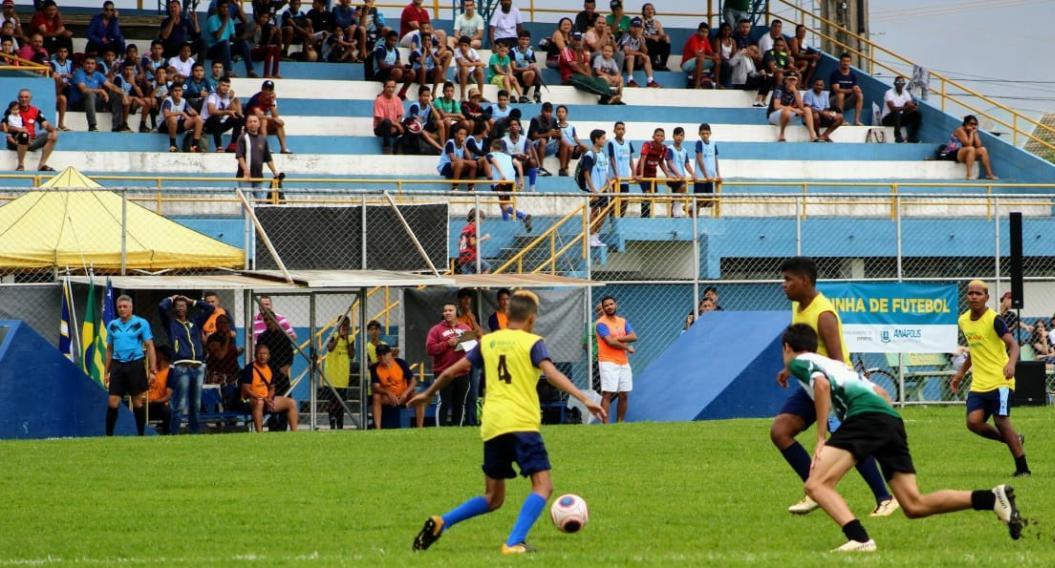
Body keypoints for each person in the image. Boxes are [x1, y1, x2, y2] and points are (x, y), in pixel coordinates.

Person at [783, 323, 1025, 552]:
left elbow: (822, 386)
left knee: (816, 484)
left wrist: (820, 438)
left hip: (866, 416)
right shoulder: (836, 365)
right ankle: (992, 498)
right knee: (913, 504)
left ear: (787, 348)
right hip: (890, 419)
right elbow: (882, 392)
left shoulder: (798, 361)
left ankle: (859, 539)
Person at [410, 291, 605, 555]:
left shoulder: (488, 341)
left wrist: (427, 394)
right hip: (521, 423)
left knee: (493, 498)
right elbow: (551, 373)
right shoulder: (533, 342)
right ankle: (513, 542)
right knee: (543, 485)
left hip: (492, 425)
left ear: (508, 314)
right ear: (532, 319)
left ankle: (442, 523)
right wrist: (584, 398)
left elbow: (450, 371)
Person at [772, 257, 898, 517]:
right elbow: (804, 347)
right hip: (811, 385)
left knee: (849, 443)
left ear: (805, 281)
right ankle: (815, 491)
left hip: (834, 387)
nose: (783, 285)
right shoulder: (799, 305)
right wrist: (789, 368)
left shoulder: (824, 314)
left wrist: (831, 398)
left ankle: (885, 498)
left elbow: (838, 361)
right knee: (780, 431)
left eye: (788, 279)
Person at [951, 281, 1031, 477]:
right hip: (979, 382)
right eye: (971, 293)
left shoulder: (994, 319)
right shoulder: (963, 321)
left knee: (1001, 420)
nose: (974, 297)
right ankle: (1012, 439)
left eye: (979, 293)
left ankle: (1023, 469)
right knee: (973, 422)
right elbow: (974, 350)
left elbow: (1013, 345)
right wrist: (961, 373)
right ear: (966, 297)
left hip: (1001, 380)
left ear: (986, 298)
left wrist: (1011, 364)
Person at [158, 294, 215, 435]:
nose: (181, 308)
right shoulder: (171, 324)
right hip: (182, 366)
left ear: (187, 308)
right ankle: (174, 433)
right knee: (181, 403)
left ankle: (193, 433)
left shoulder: (195, 323)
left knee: (195, 404)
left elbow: (210, 308)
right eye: (178, 306)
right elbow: (161, 307)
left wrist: (193, 301)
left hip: (198, 367)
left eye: (183, 305)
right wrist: (171, 298)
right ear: (174, 309)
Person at [104, 295, 158, 436]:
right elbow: (109, 349)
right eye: (119, 307)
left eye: (125, 306)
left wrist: (153, 370)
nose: (122, 309)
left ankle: (140, 434)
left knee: (137, 401)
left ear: (131, 307)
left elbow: (150, 346)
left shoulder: (141, 323)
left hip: (135, 364)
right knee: (112, 401)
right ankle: (108, 436)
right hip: (117, 365)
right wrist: (106, 371)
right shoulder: (112, 325)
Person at [424, 302, 472, 426]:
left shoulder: (465, 328)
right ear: (443, 313)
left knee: (459, 403)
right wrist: (447, 344)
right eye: (445, 311)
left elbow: (472, 348)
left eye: (451, 310)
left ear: (456, 313)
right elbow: (430, 349)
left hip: (462, 373)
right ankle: (441, 430)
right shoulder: (436, 330)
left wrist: (467, 345)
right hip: (443, 373)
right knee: (443, 403)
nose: (448, 312)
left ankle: (457, 428)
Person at [240, 343, 299, 432]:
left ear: (269, 356)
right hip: (251, 399)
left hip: (266, 399)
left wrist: (269, 399)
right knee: (259, 403)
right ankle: (260, 434)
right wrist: (263, 398)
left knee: (292, 403)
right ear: (255, 355)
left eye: (265, 354)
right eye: (260, 353)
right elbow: (246, 390)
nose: (262, 356)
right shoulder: (250, 368)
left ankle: (295, 433)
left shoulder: (270, 368)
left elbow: (272, 388)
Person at [596, 295, 637, 423]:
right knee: (607, 393)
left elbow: (633, 336)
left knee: (624, 394)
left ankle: (620, 423)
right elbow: (609, 342)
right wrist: (627, 348)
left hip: (623, 362)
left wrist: (618, 338)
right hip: (608, 361)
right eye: (606, 305)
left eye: (611, 304)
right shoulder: (601, 323)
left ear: (616, 305)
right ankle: (606, 425)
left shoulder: (622, 321)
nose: (609, 307)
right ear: (603, 308)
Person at [4, 89, 57, 172]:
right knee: (24, 135)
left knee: (53, 135)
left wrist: (50, 128)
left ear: (30, 98)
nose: (24, 99)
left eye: (26, 97)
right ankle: (20, 165)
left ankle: (41, 165)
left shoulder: (35, 110)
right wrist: (18, 129)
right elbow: (3, 127)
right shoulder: (13, 109)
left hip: (31, 141)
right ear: (18, 98)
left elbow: (45, 124)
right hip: (15, 141)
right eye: (21, 97)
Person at [370, 343, 419, 429]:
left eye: (384, 354)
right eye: (379, 355)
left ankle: (420, 426)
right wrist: (388, 393)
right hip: (389, 398)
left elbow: (413, 381)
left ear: (390, 354)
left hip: (404, 395)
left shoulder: (400, 363)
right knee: (376, 396)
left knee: (417, 395)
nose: (382, 357)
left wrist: (405, 394)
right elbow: (376, 387)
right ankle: (377, 428)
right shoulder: (375, 367)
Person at [487, 138, 532, 230]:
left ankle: (523, 216)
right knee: (503, 202)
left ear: (491, 148)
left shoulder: (491, 154)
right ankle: (505, 221)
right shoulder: (509, 156)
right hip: (511, 182)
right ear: (502, 149)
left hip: (501, 182)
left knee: (504, 206)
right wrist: (521, 180)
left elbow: (494, 160)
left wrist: (501, 173)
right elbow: (519, 165)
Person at [72, 56, 122, 133]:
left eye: (92, 64)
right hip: (79, 104)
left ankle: (117, 126)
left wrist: (123, 95)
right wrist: (100, 90)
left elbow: (111, 86)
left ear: (95, 65)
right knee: (90, 94)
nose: (90, 66)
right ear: (83, 64)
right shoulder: (79, 73)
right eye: (87, 63)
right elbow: (84, 89)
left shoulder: (97, 74)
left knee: (116, 96)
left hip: (94, 103)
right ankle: (92, 126)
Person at [206, 0, 256, 77]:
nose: (225, 9)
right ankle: (228, 71)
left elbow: (233, 39)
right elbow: (217, 37)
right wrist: (224, 22)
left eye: (227, 7)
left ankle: (250, 71)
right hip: (213, 49)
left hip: (225, 49)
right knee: (225, 42)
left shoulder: (230, 21)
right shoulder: (212, 19)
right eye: (223, 7)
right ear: (218, 9)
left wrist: (243, 37)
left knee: (244, 43)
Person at [940, 115, 998, 180]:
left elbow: (979, 145)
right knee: (971, 148)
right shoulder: (960, 130)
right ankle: (969, 175)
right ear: (966, 123)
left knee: (983, 150)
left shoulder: (973, 131)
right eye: (971, 124)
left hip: (966, 152)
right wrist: (971, 133)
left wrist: (975, 133)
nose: (973, 126)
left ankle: (989, 174)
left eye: (975, 124)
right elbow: (968, 144)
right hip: (953, 152)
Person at [581, 128, 610, 246]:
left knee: (603, 213)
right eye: (603, 138)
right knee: (594, 212)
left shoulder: (603, 154)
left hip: (603, 190)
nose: (605, 140)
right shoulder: (589, 154)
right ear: (596, 139)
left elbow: (605, 171)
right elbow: (586, 172)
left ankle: (596, 236)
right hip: (594, 190)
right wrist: (593, 189)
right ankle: (590, 236)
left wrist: (609, 182)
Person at [768, 73, 816, 143]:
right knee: (786, 111)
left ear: (797, 81)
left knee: (807, 109)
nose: (792, 82)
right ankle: (781, 134)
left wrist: (795, 92)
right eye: (790, 79)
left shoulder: (796, 91)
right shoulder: (779, 89)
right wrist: (793, 109)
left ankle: (812, 135)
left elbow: (802, 108)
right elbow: (776, 106)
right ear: (786, 80)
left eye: (794, 80)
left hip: (787, 116)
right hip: (773, 116)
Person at [246, 80, 291, 154]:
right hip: (249, 123)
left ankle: (283, 148)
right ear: (262, 89)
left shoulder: (271, 99)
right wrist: (274, 119)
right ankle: (265, 147)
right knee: (264, 121)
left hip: (260, 124)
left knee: (278, 124)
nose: (267, 92)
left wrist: (272, 102)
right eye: (265, 89)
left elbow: (275, 115)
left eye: (270, 90)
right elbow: (258, 116)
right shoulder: (256, 98)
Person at [201, 76, 244, 153]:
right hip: (207, 125)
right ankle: (219, 147)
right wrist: (227, 112)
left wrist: (232, 99)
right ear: (218, 85)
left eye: (227, 86)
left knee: (238, 118)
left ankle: (233, 145)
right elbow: (211, 111)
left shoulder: (226, 97)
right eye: (223, 85)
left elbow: (234, 112)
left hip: (218, 126)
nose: (225, 88)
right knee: (215, 117)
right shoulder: (212, 95)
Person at [324, 316, 352, 429]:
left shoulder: (350, 338)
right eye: (342, 324)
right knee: (332, 401)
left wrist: (347, 339)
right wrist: (338, 337)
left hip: (343, 373)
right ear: (338, 325)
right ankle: (332, 424)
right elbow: (330, 348)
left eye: (346, 325)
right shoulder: (332, 336)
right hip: (332, 373)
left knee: (341, 402)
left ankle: (340, 425)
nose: (344, 327)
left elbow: (352, 354)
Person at [634, 127, 669, 218]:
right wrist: (640, 174)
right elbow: (643, 158)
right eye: (657, 135)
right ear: (653, 136)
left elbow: (661, 162)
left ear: (664, 138)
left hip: (652, 174)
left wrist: (668, 175)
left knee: (653, 195)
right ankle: (644, 216)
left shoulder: (664, 148)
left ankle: (648, 214)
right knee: (647, 193)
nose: (659, 137)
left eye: (662, 136)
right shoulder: (648, 145)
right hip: (643, 173)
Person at [161, 82, 203, 152]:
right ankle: (172, 146)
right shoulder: (168, 100)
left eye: (179, 91)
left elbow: (193, 112)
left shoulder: (183, 101)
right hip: (164, 125)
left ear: (182, 92)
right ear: (171, 92)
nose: (178, 93)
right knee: (173, 119)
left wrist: (192, 112)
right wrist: (181, 113)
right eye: (175, 91)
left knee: (198, 118)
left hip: (177, 125)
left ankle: (194, 146)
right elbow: (166, 114)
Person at [880, 75, 921, 144]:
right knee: (896, 112)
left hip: (899, 119)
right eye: (898, 82)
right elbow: (892, 108)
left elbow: (909, 104)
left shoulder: (906, 93)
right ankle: (897, 136)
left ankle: (912, 137)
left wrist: (913, 107)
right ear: (894, 83)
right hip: (888, 119)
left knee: (917, 114)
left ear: (904, 84)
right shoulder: (889, 93)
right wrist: (905, 107)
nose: (900, 83)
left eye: (902, 82)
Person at [606, 121, 635, 217]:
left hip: (625, 178)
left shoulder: (628, 142)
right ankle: (612, 220)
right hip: (615, 178)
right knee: (614, 201)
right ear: (614, 130)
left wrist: (634, 172)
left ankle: (620, 219)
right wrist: (616, 173)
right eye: (618, 129)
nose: (621, 131)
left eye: (622, 129)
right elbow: (612, 158)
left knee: (625, 200)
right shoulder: (611, 143)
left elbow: (630, 158)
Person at [204, 314, 241, 387]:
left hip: (232, 372)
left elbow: (232, 351)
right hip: (218, 373)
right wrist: (227, 339)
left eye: (226, 322)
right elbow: (221, 355)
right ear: (216, 325)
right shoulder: (213, 338)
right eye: (221, 322)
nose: (224, 325)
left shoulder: (229, 337)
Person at [437, 124, 477, 191]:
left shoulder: (463, 144)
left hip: (457, 167)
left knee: (474, 164)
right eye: (461, 134)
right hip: (445, 167)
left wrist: (464, 145)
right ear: (455, 134)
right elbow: (453, 158)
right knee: (460, 163)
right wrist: (467, 162)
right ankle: (455, 187)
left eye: (464, 134)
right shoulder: (450, 143)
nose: (462, 136)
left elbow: (469, 158)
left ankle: (471, 187)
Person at [802, 78, 843, 142]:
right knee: (816, 115)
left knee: (840, 117)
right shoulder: (809, 93)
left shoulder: (825, 94)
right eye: (817, 85)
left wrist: (829, 114)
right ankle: (817, 135)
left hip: (822, 116)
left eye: (821, 85)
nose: (819, 87)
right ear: (813, 85)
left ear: (823, 86)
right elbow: (807, 107)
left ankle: (824, 135)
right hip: (811, 117)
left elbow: (826, 108)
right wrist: (823, 113)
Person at [829, 53, 864, 126]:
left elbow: (855, 88)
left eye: (848, 61)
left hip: (846, 101)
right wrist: (851, 90)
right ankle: (841, 120)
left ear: (850, 62)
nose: (846, 63)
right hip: (834, 101)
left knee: (859, 95)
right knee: (841, 94)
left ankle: (857, 120)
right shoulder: (835, 74)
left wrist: (857, 89)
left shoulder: (852, 75)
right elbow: (836, 90)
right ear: (840, 62)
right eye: (844, 61)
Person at [682, 21, 718, 89]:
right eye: (702, 31)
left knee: (717, 60)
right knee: (701, 58)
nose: (704, 34)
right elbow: (697, 54)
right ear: (698, 31)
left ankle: (717, 83)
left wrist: (715, 55)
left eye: (706, 32)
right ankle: (697, 83)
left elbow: (710, 52)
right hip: (686, 64)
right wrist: (711, 57)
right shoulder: (693, 39)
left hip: (698, 62)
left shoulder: (706, 40)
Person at [146, 346, 174, 434]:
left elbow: (168, 396)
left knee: (166, 410)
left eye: (155, 354)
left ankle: (166, 433)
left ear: (161, 356)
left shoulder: (170, 372)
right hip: (145, 402)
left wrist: (152, 401)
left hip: (158, 403)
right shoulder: (150, 370)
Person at [528, 102, 560, 176]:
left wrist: (557, 134)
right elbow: (534, 136)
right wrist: (548, 134)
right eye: (546, 111)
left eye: (550, 112)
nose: (548, 114)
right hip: (532, 145)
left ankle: (563, 169)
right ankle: (541, 167)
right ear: (542, 111)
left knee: (563, 141)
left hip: (545, 145)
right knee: (543, 140)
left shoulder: (553, 120)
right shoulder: (535, 119)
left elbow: (555, 135)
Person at [693, 123, 720, 211]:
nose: (705, 135)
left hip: (711, 177)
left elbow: (715, 160)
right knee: (699, 200)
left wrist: (718, 174)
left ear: (710, 133)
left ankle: (690, 208)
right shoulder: (699, 143)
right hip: (701, 177)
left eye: (707, 133)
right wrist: (705, 175)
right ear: (699, 134)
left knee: (710, 202)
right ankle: (693, 215)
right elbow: (700, 160)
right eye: (703, 133)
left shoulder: (713, 144)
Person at [373, 79, 404, 154]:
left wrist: (395, 125)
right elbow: (380, 119)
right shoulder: (379, 100)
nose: (391, 89)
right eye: (388, 87)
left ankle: (401, 147)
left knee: (409, 123)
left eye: (393, 87)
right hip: (381, 128)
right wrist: (395, 125)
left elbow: (400, 115)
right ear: (384, 88)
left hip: (394, 127)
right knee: (387, 122)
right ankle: (387, 148)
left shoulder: (398, 99)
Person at [511, 31, 542, 104]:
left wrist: (533, 66)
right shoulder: (513, 51)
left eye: (527, 40)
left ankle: (537, 92)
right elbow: (513, 68)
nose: (524, 41)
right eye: (522, 39)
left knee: (537, 69)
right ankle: (524, 95)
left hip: (529, 76)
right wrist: (527, 68)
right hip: (517, 75)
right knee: (530, 72)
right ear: (518, 40)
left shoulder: (530, 51)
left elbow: (533, 63)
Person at [457, 208, 491, 274]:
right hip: (471, 256)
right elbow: (473, 243)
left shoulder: (465, 228)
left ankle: (476, 283)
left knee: (469, 277)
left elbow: (459, 243)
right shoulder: (473, 228)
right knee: (487, 267)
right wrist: (484, 238)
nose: (482, 221)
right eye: (482, 219)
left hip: (463, 257)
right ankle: (481, 283)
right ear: (477, 218)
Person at [453, 35, 485, 102]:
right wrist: (476, 63)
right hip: (459, 76)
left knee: (479, 69)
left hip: (471, 76)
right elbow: (462, 64)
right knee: (464, 68)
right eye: (461, 45)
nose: (463, 47)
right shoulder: (457, 51)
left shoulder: (473, 51)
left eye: (465, 45)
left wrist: (468, 58)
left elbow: (482, 65)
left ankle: (481, 95)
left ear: (469, 46)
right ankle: (462, 96)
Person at [641, 3, 670, 71]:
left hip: (655, 42)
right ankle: (653, 64)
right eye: (647, 9)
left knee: (666, 42)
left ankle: (663, 64)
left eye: (651, 9)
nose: (650, 10)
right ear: (644, 12)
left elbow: (661, 34)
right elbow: (639, 35)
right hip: (644, 43)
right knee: (651, 41)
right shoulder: (641, 21)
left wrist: (665, 37)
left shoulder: (657, 22)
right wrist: (651, 37)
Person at [49, 45, 72, 131]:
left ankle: (61, 124)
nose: (62, 54)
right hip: (51, 91)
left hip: (60, 89)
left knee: (63, 98)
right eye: (60, 51)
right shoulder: (53, 63)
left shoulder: (70, 63)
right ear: (57, 53)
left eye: (65, 51)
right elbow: (56, 76)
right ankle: (51, 125)